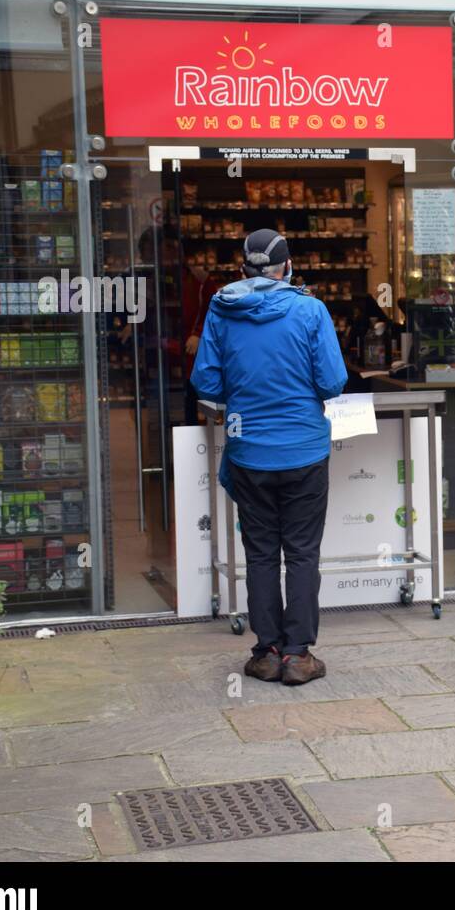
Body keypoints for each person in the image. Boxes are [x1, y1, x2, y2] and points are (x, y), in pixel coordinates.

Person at [190, 230, 347, 686]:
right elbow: (332, 382)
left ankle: (266, 652)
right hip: (303, 451)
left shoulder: (222, 310)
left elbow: (208, 384)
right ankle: (298, 656)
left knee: (260, 554)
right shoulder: (310, 310)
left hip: (250, 453)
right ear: (287, 266)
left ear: (244, 266)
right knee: (301, 553)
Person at [182, 256, 223, 424]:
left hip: (195, 353)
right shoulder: (151, 276)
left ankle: (208, 439)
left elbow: (213, 308)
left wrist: (198, 333)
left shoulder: (200, 279)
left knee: (202, 397)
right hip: (170, 353)